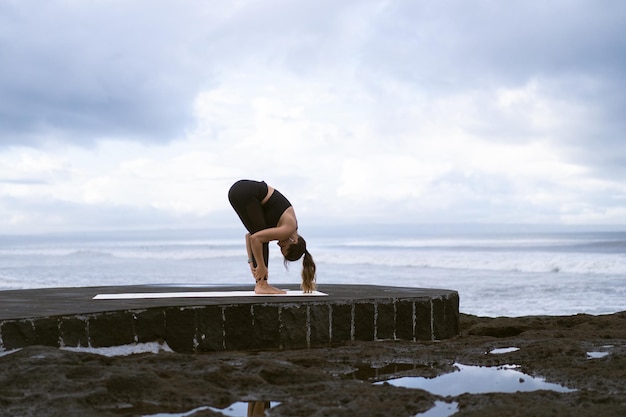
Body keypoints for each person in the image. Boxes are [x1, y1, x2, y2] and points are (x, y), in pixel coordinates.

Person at [228, 179, 316, 294]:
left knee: (261, 236)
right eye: (282, 247)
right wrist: (261, 266)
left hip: (238, 191)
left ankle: (261, 284)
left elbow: (250, 235)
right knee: (262, 240)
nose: (279, 244)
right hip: (246, 192)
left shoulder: (285, 225)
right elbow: (256, 239)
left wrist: (252, 263)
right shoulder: (289, 227)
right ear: (293, 241)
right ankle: (262, 285)